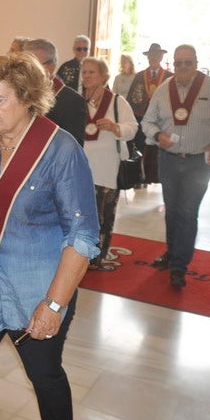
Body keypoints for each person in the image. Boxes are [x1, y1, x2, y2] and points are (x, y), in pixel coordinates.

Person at [0, 52, 99, 420]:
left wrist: (54, 303)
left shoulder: (61, 151)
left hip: (35, 294)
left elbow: (83, 236)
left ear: (28, 98)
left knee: (46, 381)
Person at [141, 44, 210, 288]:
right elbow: (147, 122)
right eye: (179, 63)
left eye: (188, 62)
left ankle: (179, 266)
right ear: (173, 65)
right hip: (169, 160)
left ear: (196, 63)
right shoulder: (164, 90)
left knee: (187, 212)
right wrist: (157, 136)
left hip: (198, 162)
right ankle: (173, 252)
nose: (183, 67)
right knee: (172, 211)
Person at [80, 57, 138, 270]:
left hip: (107, 168)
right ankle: (79, 256)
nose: (86, 76)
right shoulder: (77, 100)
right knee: (81, 216)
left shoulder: (116, 102)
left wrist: (115, 128)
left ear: (103, 76)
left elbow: (133, 128)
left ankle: (99, 257)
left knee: (104, 217)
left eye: (91, 72)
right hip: (81, 169)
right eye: (84, 72)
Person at [127, 43, 173, 186]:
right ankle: (140, 178)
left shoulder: (169, 77)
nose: (154, 58)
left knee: (159, 149)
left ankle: (159, 177)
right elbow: (132, 99)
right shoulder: (140, 76)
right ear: (148, 57)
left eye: (157, 55)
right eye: (151, 55)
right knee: (141, 147)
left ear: (161, 57)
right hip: (142, 118)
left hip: (161, 120)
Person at [26, 38, 87, 146]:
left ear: (52, 66)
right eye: (25, 65)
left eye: (34, 65)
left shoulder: (72, 101)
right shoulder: (21, 93)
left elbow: (71, 147)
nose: (28, 70)